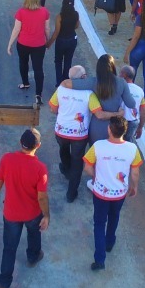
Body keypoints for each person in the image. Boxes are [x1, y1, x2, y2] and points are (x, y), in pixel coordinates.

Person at [0, 128, 50, 288]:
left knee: (9, 248)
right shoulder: (40, 168)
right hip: (32, 213)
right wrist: (46, 215)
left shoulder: (7, 159)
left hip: (11, 214)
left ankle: (4, 285)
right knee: (34, 235)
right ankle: (33, 257)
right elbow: (42, 197)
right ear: (38, 146)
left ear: (20, 143)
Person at [83, 116, 142, 271]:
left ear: (109, 129)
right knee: (114, 216)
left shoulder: (98, 146)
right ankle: (110, 242)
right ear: (125, 131)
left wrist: (96, 177)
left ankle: (100, 259)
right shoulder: (132, 149)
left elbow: (87, 168)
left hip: (101, 193)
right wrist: (134, 186)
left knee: (99, 223)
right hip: (119, 193)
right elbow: (135, 173)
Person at [63, 54, 136, 147]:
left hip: (96, 126)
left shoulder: (93, 82)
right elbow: (131, 104)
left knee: (95, 155)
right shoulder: (122, 82)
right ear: (113, 66)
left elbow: (68, 83)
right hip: (115, 127)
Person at [49, 65, 96, 202]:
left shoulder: (61, 89)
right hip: (79, 135)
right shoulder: (89, 93)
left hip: (61, 131)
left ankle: (65, 168)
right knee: (77, 162)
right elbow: (96, 110)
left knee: (63, 149)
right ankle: (71, 193)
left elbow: (53, 108)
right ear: (82, 78)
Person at [7, 0, 52, 102]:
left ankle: (25, 83)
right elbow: (47, 28)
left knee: (23, 63)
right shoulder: (44, 11)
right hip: (39, 44)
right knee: (38, 68)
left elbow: (16, 29)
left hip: (23, 44)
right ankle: (38, 95)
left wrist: (10, 44)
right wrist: (47, 41)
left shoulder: (21, 12)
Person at [47, 0, 79, 83]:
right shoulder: (76, 14)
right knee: (68, 61)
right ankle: (66, 82)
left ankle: (59, 83)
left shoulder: (59, 16)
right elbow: (76, 26)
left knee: (58, 61)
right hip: (72, 39)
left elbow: (56, 32)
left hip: (61, 41)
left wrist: (48, 44)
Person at [120, 65, 145, 142]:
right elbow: (143, 111)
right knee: (128, 144)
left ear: (124, 75)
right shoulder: (140, 91)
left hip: (119, 121)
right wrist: (140, 127)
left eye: (120, 73)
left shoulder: (118, 88)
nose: (119, 75)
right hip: (133, 122)